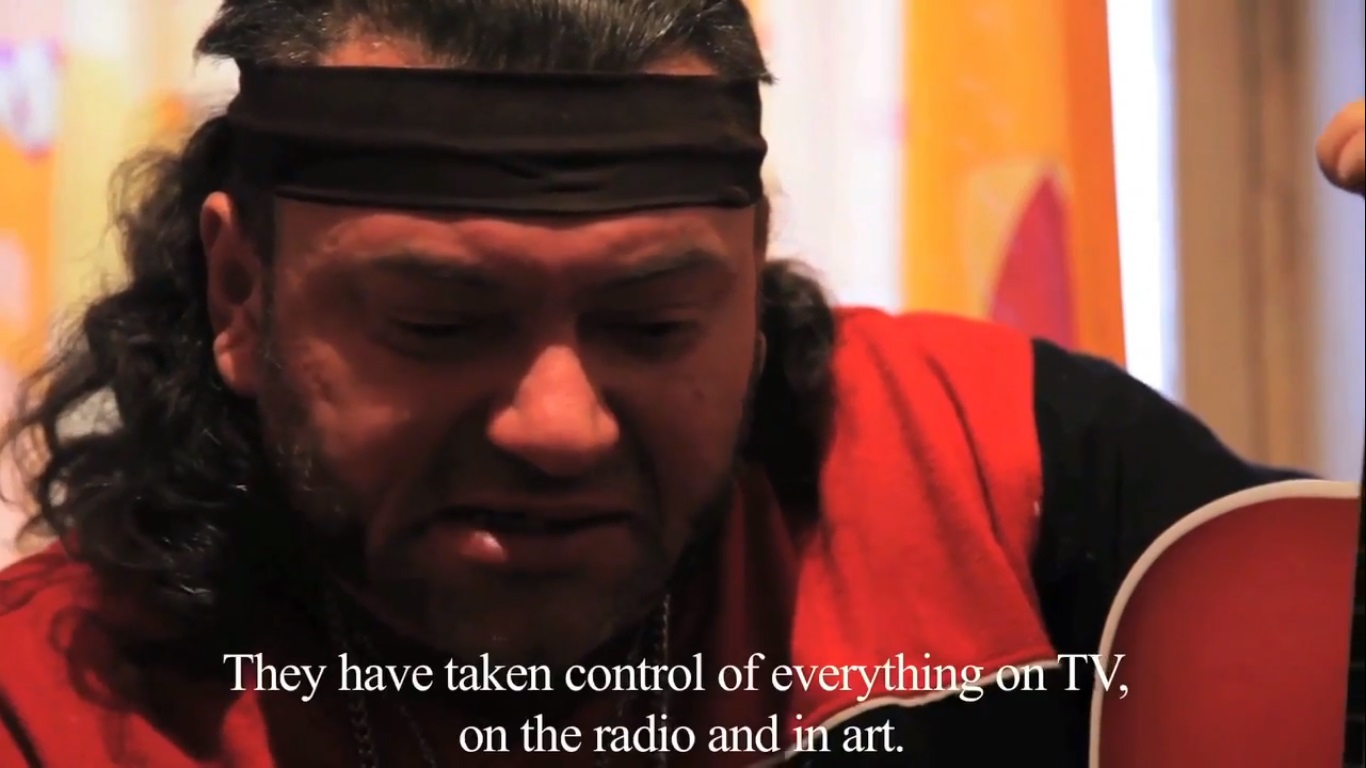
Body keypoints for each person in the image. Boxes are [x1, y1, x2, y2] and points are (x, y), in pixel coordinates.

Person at [0, 2, 1360, 766]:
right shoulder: (54, 708)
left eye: (651, 323)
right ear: (242, 293)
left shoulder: (986, 458)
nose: (558, 424)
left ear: (750, 277)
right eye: (437, 323)